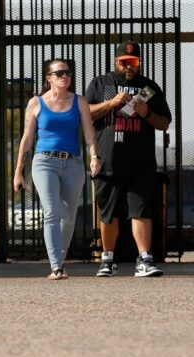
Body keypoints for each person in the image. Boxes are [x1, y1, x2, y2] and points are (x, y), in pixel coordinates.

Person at [86, 41, 171, 277]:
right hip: (109, 160)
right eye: (124, 63)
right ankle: (108, 260)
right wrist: (111, 103)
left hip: (141, 162)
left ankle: (144, 259)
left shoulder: (149, 87)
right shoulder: (101, 84)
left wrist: (147, 114)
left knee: (141, 211)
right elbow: (85, 113)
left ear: (139, 62)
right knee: (108, 212)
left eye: (133, 63)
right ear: (116, 61)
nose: (128, 67)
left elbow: (164, 123)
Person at [14, 59, 101, 280]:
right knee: (52, 213)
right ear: (49, 78)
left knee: (69, 216)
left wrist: (94, 157)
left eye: (68, 73)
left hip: (72, 163)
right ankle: (55, 266)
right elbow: (27, 138)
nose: (65, 76)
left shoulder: (79, 101)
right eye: (59, 73)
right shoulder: (36, 103)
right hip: (44, 162)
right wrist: (18, 171)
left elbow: (89, 132)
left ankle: (59, 261)